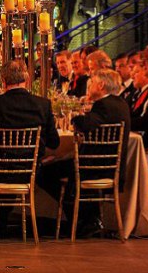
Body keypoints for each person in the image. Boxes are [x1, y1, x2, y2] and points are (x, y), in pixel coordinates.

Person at [0, 58, 60, 234]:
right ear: (26, 80)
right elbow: (54, 142)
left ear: (3, 81)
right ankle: (5, 219)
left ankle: (1, 220)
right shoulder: (42, 105)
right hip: (29, 171)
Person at [39, 69, 131, 237]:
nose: (89, 88)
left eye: (92, 83)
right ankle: (87, 216)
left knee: (42, 171)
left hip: (93, 166)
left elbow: (85, 125)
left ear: (101, 85)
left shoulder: (103, 105)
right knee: (56, 162)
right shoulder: (120, 103)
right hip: (109, 164)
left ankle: (81, 216)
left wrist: (76, 116)